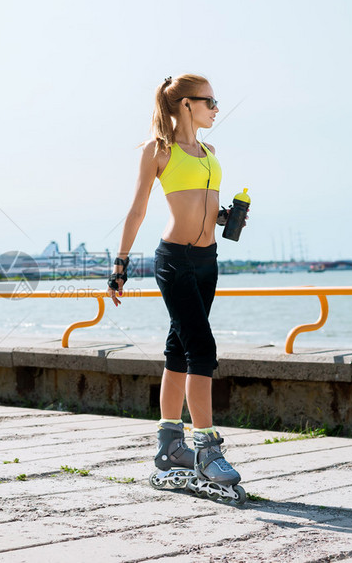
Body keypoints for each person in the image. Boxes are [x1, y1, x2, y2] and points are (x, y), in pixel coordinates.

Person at [107, 74, 244, 500]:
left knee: (178, 348)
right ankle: (205, 447)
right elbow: (138, 207)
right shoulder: (158, 150)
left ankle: (169, 445)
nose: (216, 108)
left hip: (207, 260)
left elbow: (200, 205)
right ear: (186, 104)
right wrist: (120, 263)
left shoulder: (209, 150)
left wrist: (224, 217)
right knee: (202, 348)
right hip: (174, 260)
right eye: (210, 101)